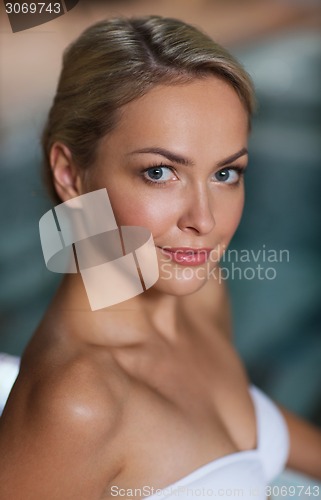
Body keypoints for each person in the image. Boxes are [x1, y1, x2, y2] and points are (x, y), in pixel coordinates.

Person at [0, 15, 320, 500]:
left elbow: (243, 425)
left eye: (226, 173)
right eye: (159, 173)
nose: (204, 220)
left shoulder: (197, 291)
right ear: (70, 174)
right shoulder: (78, 406)